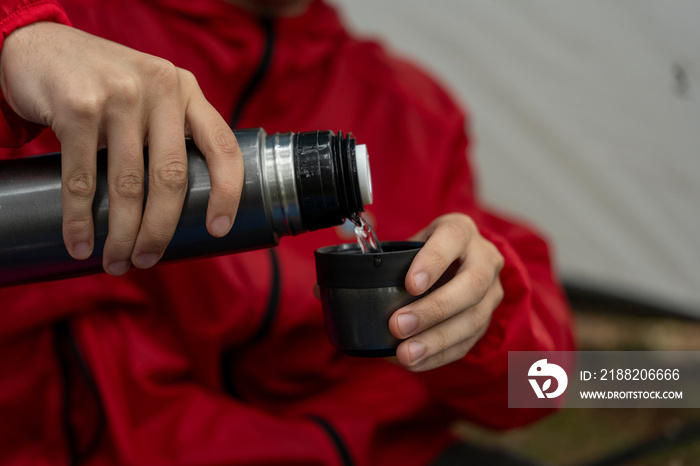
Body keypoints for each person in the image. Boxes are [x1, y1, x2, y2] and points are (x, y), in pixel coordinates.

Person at [0, 0, 574, 464]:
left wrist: (486, 315)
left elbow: (545, 387)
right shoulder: (65, 34)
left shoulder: (412, 111)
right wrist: (16, 36)